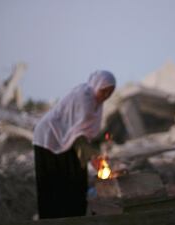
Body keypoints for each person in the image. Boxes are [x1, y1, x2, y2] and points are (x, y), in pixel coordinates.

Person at [32, 70, 116, 219]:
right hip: (49, 138)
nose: (106, 96)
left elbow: (83, 136)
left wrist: (95, 157)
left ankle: (74, 218)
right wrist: (96, 160)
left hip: (68, 141)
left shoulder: (96, 104)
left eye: (110, 93)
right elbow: (77, 134)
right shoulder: (84, 98)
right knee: (53, 183)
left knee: (76, 182)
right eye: (104, 91)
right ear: (97, 86)